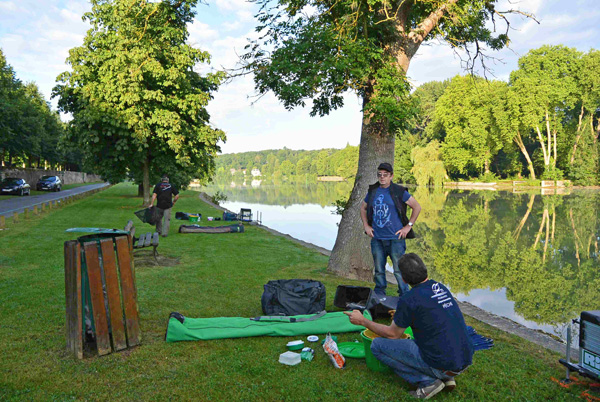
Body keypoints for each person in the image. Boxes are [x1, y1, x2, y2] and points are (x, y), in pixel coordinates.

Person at [345, 253, 474, 400]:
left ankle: (428, 382)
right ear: (425, 270)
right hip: (464, 359)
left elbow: (393, 334)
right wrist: (403, 316)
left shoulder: (409, 299)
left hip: (442, 364)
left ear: (403, 279)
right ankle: (447, 377)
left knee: (377, 345)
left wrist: (363, 321)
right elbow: (431, 317)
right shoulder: (439, 287)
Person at [361, 162, 421, 296]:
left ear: (391, 176)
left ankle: (404, 294)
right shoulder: (373, 191)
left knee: (399, 270)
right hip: (377, 238)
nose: (382, 177)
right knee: (378, 269)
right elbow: (363, 208)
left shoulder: (399, 191)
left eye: (385, 175)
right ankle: (379, 294)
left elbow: (417, 207)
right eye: (380, 175)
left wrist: (408, 226)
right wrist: (366, 225)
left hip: (396, 238)